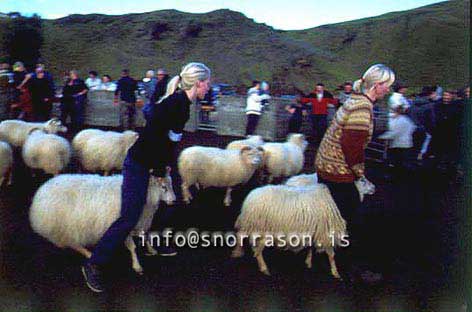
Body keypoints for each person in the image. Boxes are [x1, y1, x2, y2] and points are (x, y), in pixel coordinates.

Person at [81, 62, 211, 293]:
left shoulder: (180, 103)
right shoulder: (177, 105)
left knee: (168, 202)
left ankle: (157, 242)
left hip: (154, 161)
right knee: (129, 216)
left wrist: (164, 167)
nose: (209, 87)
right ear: (199, 83)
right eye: (207, 82)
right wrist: (159, 170)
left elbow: (161, 132)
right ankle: (94, 263)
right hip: (140, 163)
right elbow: (155, 139)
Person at [315, 64, 395, 283]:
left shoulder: (355, 99)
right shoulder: (362, 108)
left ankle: (327, 254)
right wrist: (360, 174)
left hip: (325, 164)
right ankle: (353, 268)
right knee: (356, 220)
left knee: (337, 214)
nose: (388, 90)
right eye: (387, 86)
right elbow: (352, 146)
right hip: (337, 170)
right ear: (378, 86)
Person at [378, 104, 416, 180]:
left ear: (397, 112)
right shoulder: (406, 119)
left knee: (396, 161)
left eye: (392, 111)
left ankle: (395, 177)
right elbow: (413, 127)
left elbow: (394, 133)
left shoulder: (400, 121)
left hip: (399, 144)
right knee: (401, 161)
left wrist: (380, 137)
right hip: (406, 143)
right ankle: (401, 177)